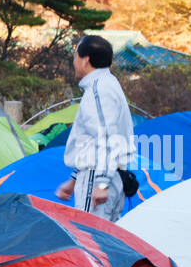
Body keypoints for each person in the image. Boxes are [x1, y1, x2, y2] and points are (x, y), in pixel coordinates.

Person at [55, 35, 135, 222]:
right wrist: (73, 181)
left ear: (86, 60)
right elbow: (91, 141)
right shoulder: (109, 84)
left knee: (89, 239)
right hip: (110, 173)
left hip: (98, 175)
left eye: (75, 56)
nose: (74, 62)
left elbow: (106, 136)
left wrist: (101, 183)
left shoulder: (98, 89)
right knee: (105, 241)